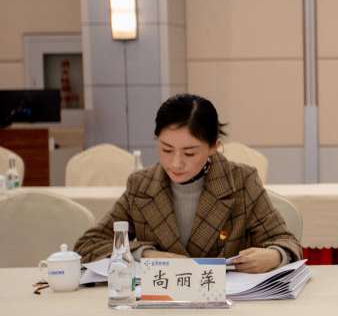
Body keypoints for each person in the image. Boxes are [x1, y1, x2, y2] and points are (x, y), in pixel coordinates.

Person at [75, 94, 301, 272]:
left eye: (189, 153)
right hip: (160, 304)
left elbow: (286, 241)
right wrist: (145, 254)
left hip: (226, 303)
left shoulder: (242, 181)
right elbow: (89, 245)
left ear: (214, 147)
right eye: (166, 149)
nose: (176, 163)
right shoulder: (141, 186)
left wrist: (274, 256)